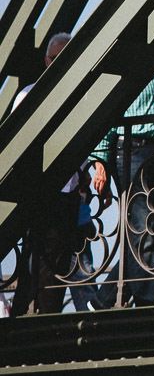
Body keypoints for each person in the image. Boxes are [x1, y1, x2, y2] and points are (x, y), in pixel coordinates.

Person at [9, 32, 98, 314]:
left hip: (69, 194)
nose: (60, 64)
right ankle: (33, 322)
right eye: (56, 58)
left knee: (58, 264)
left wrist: (87, 174)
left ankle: (46, 319)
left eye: (66, 58)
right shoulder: (28, 96)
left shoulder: (79, 100)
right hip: (39, 192)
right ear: (46, 60)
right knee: (40, 263)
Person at [89, 62, 154, 308]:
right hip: (134, 150)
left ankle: (104, 299)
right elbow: (108, 111)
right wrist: (100, 160)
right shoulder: (136, 67)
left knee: (151, 232)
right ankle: (144, 304)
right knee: (144, 231)